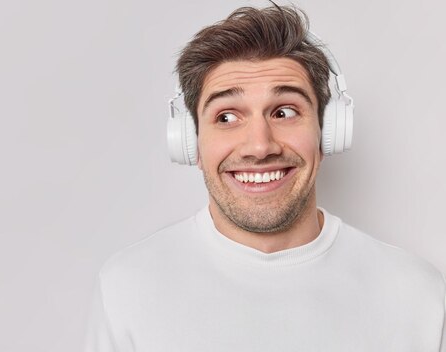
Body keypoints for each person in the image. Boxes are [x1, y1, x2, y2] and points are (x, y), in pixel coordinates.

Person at [84, 5, 446, 352]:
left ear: (329, 134)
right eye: (227, 117)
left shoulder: (417, 295)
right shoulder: (127, 287)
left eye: (285, 111)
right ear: (190, 143)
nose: (259, 146)